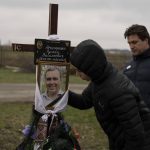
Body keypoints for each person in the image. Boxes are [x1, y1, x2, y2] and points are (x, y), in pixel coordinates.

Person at [68, 39, 150, 150]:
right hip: (118, 141)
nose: (77, 74)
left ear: (91, 67)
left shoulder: (118, 91)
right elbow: (84, 101)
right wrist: (61, 94)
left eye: (79, 70)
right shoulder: (99, 79)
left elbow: (135, 136)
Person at [16, 67, 80, 150]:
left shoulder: (66, 98)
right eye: (48, 79)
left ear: (60, 80)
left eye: (55, 79)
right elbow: (34, 120)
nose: (52, 82)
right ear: (45, 81)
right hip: (40, 136)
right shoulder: (39, 99)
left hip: (62, 139)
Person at [123, 24, 150, 108]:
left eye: (134, 42)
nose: (131, 46)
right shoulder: (128, 66)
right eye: (129, 43)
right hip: (132, 117)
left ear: (146, 40)